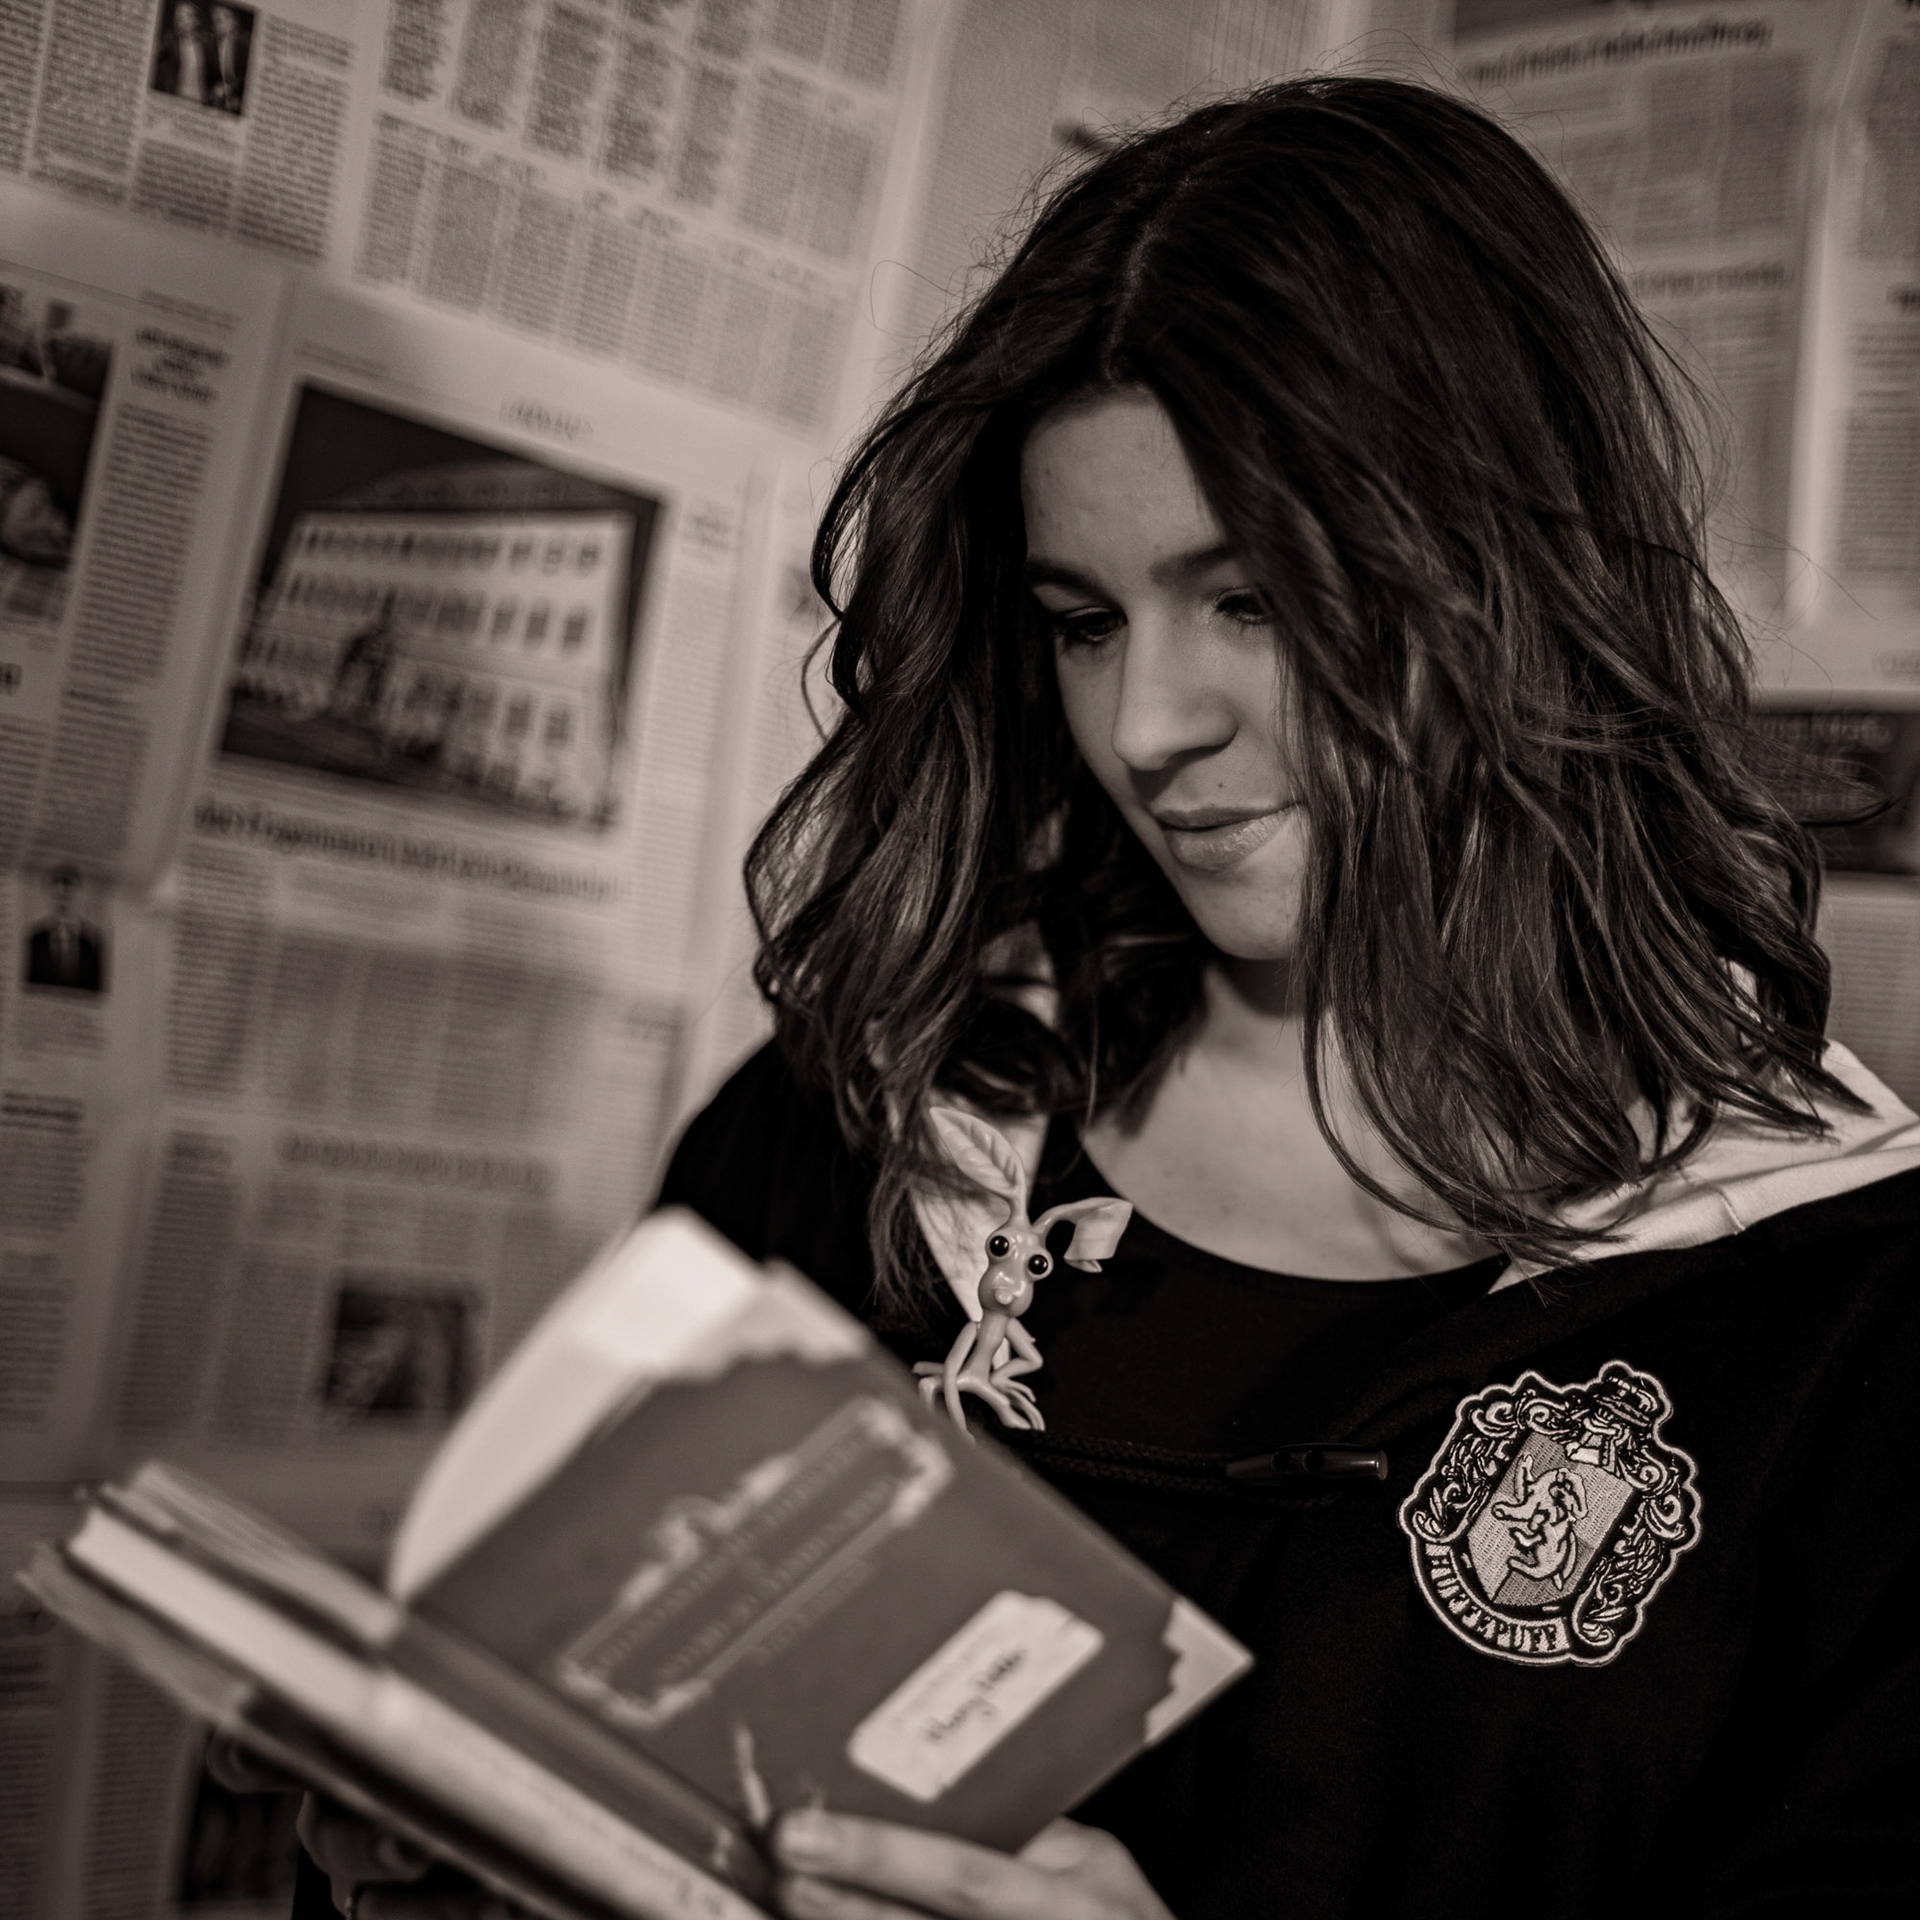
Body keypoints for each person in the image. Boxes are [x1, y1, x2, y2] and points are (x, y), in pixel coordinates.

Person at [292, 77, 1920, 1919]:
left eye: (1256, 603)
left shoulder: (1847, 1323)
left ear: (1514, 581)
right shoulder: (880, 1117)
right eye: (1084, 621)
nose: (1147, 726)